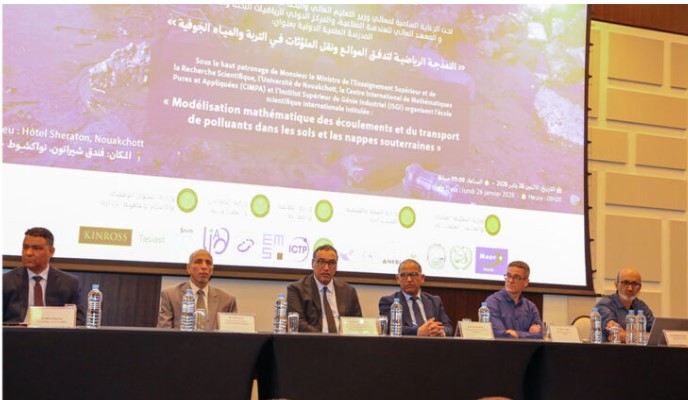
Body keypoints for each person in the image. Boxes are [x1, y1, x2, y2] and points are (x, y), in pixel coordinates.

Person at [3, 227, 85, 325]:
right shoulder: (5, 281)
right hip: (16, 333)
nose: (28, 253)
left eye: (36, 248)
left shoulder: (69, 283)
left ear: (51, 251)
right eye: (25, 247)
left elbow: (79, 321)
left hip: (54, 333)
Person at [287, 244, 362, 333]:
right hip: (313, 340)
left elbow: (357, 324)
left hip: (343, 340)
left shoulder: (349, 291)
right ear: (312, 264)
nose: (326, 268)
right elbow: (297, 324)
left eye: (331, 263)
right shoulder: (297, 289)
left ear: (336, 266)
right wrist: (326, 338)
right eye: (321, 262)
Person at [158, 249, 237, 330]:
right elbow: (164, 332)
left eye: (208, 263)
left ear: (212, 270)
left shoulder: (227, 300)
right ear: (188, 268)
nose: (204, 267)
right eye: (198, 262)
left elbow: (232, 333)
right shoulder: (170, 295)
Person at [378, 259, 453, 336]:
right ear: (398, 279)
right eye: (404, 275)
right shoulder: (388, 302)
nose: (409, 279)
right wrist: (418, 331)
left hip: (432, 342)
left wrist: (441, 332)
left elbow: (448, 327)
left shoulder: (435, 301)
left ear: (422, 278)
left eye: (414, 275)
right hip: (406, 343)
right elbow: (390, 328)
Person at [594, 268, 655, 343]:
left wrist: (629, 336)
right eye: (625, 283)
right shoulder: (605, 305)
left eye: (634, 284)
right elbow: (616, 335)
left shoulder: (641, 306)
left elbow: (657, 334)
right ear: (616, 284)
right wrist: (645, 336)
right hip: (609, 349)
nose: (630, 288)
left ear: (640, 287)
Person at [485, 260, 543, 339]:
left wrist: (516, 334)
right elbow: (498, 333)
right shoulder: (492, 302)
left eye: (516, 277)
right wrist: (528, 334)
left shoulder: (530, 307)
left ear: (526, 282)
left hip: (527, 347)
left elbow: (540, 334)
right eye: (508, 276)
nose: (511, 280)